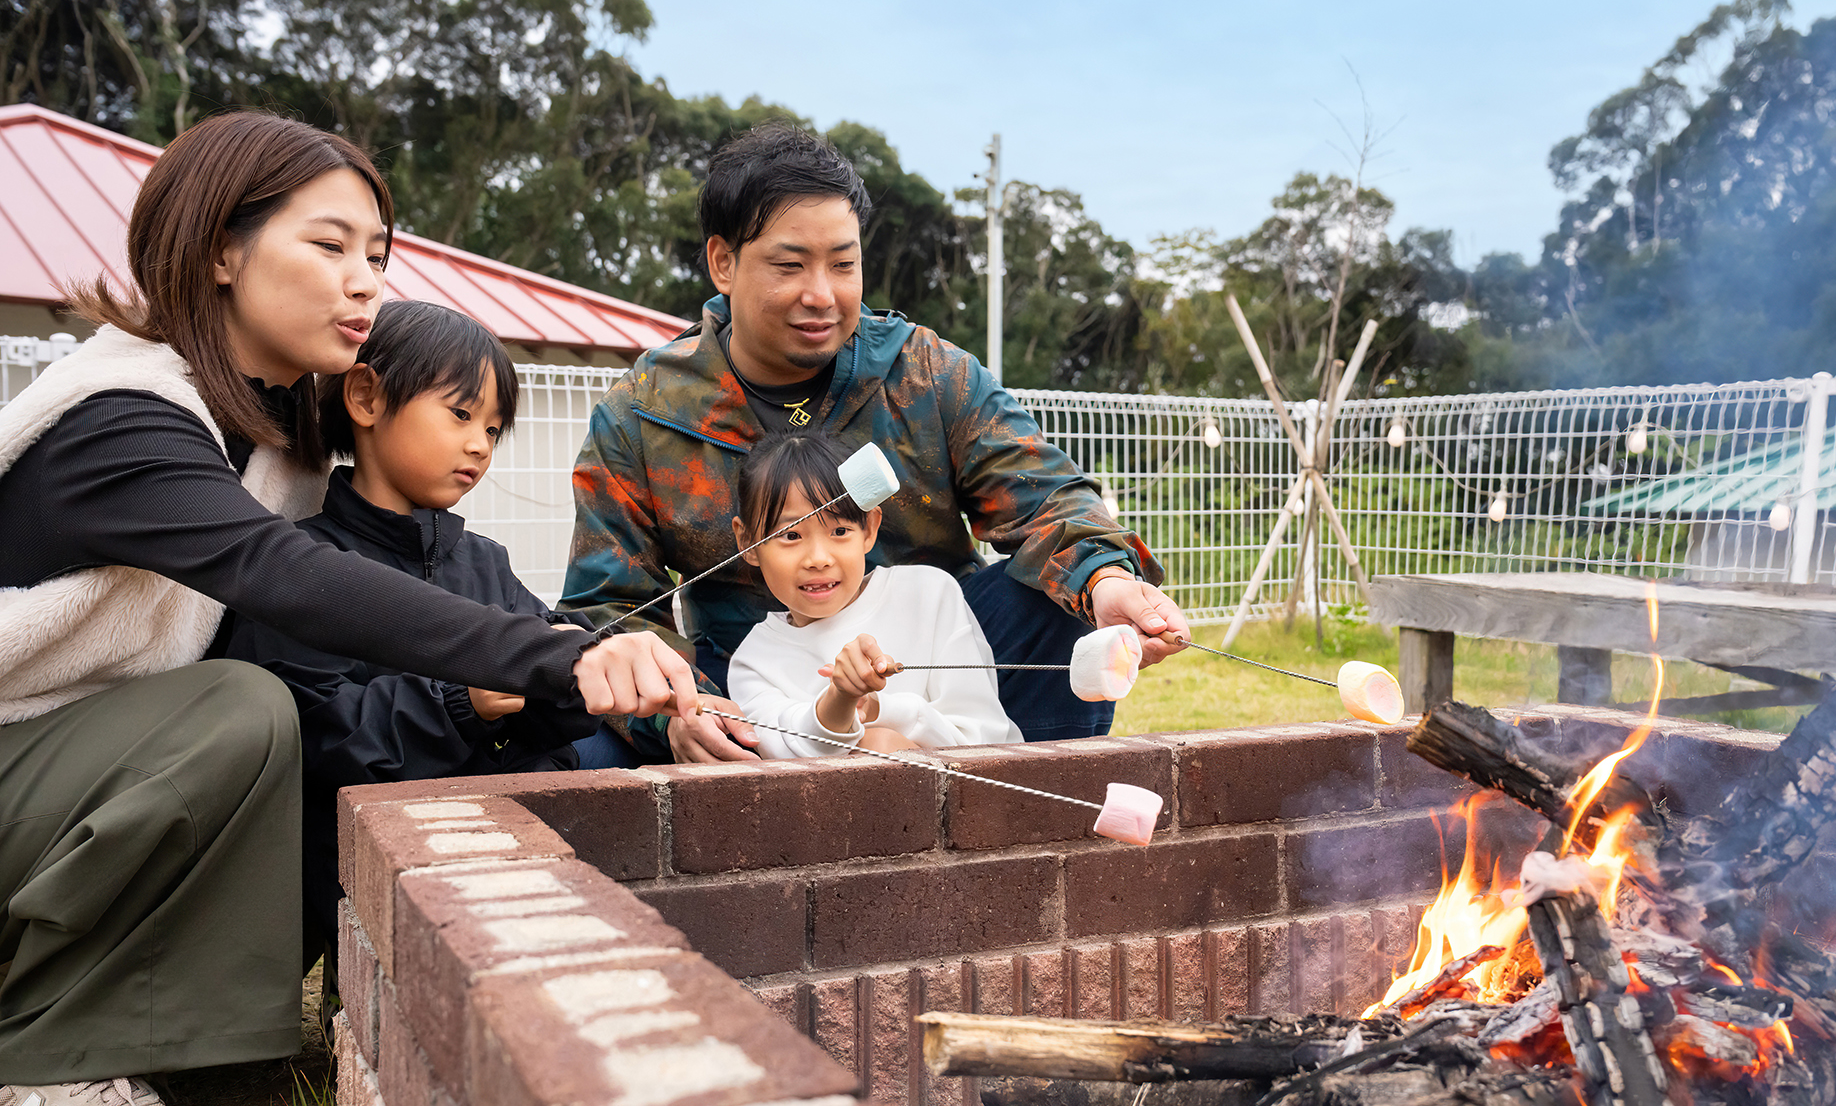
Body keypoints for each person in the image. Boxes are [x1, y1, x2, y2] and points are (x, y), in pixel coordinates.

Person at [0, 111, 710, 1103]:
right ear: (217, 250)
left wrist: (615, 666)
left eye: (376, 253)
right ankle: (41, 1055)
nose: (365, 280)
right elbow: (283, 572)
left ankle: (193, 1061)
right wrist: (545, 662)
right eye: (328, 245)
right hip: (27, 763)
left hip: (87, 771)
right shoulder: (123, 422)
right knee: (247, 711)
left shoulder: (276, 430)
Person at [563, 122, 1190, 763]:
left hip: (941, 664)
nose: (822, 295)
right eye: (789, 265)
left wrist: (1106, 580)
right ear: (723, 262)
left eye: (843, 264)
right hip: (754, 690)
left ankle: (1021, 824)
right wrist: (681, 710)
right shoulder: (644, 414)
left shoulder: (928, 374)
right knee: (579, 737)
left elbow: (1047, 499)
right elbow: (607, 609)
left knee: (1060, 599)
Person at [223, 300, 616, 949]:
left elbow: (544, 699)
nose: (478, 445)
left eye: (493, 429)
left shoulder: (485, 561)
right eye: (461, 414)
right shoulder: (301, 565)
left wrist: (582, 668)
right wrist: (462, 705)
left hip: (501, 865)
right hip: (367, 886)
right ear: (367, 396)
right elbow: (313, 738)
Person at [726, 431, 1021, 758]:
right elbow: (790, 753)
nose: (819, 558)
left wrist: (885, 710)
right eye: (791, 535)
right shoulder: (753, 662)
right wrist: (840, 698)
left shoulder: (928, 595)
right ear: (747, 541)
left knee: (878, 746)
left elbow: (986, 739)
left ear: (869, 529)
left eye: (840, 531)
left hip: (971, 800)